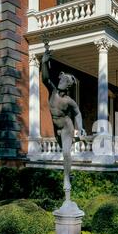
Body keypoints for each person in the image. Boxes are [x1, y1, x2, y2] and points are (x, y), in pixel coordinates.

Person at [41, 45, 86, 199]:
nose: (62, 81)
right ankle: (69, 173)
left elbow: (78, 112)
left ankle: (66, 180)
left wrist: (80, 128)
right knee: (63, 154)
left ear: (68, 86)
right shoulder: (53, 92)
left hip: (66, 126)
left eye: (65, 80)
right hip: (56, 128)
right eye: (62, 79)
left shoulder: (69, 101)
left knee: (66, 153)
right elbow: (45, 78)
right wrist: (43, 62)